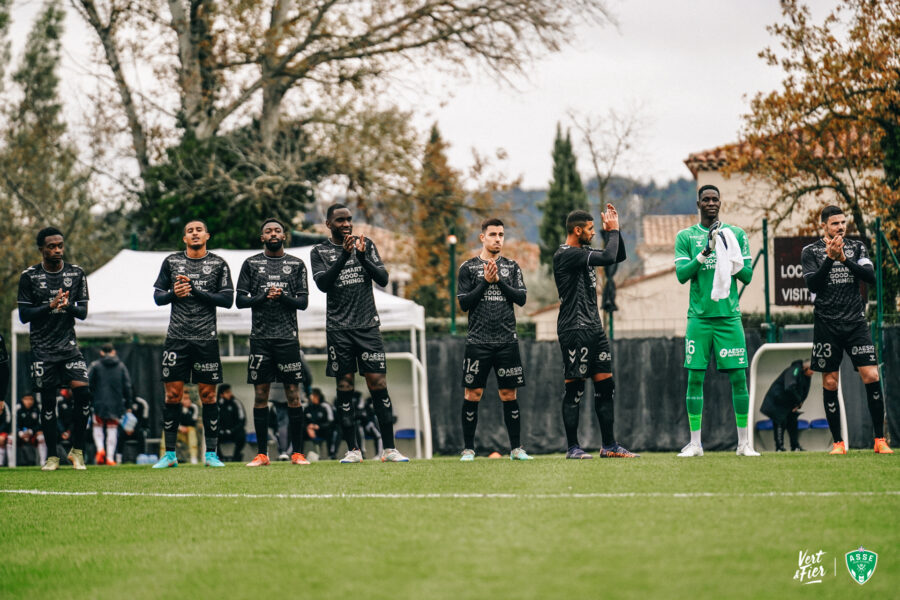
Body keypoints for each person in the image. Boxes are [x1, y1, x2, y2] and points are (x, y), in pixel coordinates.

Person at [310, 204, 408, 463]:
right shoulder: (318, 251)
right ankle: (353, 450)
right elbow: (322, 285)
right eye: (340, 220)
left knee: (378, 384)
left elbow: (384, 279)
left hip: (367, 327)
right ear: (329, 224)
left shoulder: (367, 245)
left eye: (349, 220)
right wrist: (344, 256)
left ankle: (389, 450)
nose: (346, 224)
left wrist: (362, 257)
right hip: (339, 330)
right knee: (344, 387)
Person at [801, 205, 892, 454]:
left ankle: (879, 440)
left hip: (855, 323)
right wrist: (830, 259)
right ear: (823, 226)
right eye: (834, 223)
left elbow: (870, 277)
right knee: (830, 382)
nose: (840, 227)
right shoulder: (810, 252)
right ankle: (839, 443)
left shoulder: (858, 247)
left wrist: (844, 259)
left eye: (843, 222)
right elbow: (814, 284)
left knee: (872, 375)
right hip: (826, 324)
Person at [674, 185, 757, 457]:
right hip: (699, 319)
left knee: (739, 379)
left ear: (720, 202)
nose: (711, 203)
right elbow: (682, 275)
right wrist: (706, 252)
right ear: (698, 203)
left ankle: (743, 443)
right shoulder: (686, 237)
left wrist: (727, 253)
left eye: (715, 199)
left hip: (728, 317)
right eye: (706, 199)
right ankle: (696, 444)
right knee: (694, 379)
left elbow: (746, 276)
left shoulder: (735, 235)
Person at [553, 206, 637, 459]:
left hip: (594, 327)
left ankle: (609, 446)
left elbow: (617, 256)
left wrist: (616, 229)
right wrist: (611, 232)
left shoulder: (585, 251)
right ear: (577, 230)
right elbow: (609, 256)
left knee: (606, 386)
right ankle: (573, 448)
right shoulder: (566, 254)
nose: (593, 233)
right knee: (575, 389)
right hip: (574, 328)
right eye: (590, 229)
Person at [152, 219, 234, 468]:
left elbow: (228, 299)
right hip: (176, 338)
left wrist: (196, 291)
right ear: (184, 239)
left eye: (199, 230)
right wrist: (172, 294)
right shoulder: (171, 262)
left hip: (206, 339)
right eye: (190, 231)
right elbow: (157, 297)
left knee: (208, 396)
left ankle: (211, 454)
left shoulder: (218, 263)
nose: (195, 233)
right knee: (173, 395)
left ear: (207, 235)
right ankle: (169, 455)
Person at [17, 226, 94, 470]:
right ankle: (52, 456)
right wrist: (50, 306)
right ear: (42, 249)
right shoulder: (29, 277)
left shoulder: (76, 273)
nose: (57, 250)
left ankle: (77, 451)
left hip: (69, 348)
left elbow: (82, 312)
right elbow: (24, 315)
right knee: (48, 403)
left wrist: (66, 305)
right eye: (52, 246)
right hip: (42, 349)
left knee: (83, 394)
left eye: (60, 245)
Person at [236, 218, 310, 467]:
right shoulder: (251, 264)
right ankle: (262, 454)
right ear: (262, 238)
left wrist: (283, 297)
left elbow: (302, 303)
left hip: (288, 339)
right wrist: (263, 296)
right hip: (260, 339)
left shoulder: (297, 264)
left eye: (277, 230)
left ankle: (298, 453)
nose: (273, 233)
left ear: (284, 236)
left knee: (293, 394)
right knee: (260, 395)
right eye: (268, 231)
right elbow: (240, 301)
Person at [457, 218, 532, 461]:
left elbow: (521, 299)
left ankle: (516, 449)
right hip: (478, 341)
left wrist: (498, 280)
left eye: (501, 234)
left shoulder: (511, 267)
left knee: (509, 395)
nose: (498, 239)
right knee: (473, 394)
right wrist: (484, 282)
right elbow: (464, 303)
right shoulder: (467, 267)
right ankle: (468, 449)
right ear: (482, 238)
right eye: (493, 234)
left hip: (506, 341)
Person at [88, 343, 133, 465]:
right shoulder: (121, 366)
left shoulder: (95, 366)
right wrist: (128, 405)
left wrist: (89, 400)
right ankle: (110, 457)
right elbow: (128, 387)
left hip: (98, 403)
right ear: (114, 352)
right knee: (112, 430)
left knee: (97, 428)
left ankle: (100, 449)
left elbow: (88, 385)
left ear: (101, 353)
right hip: (116, 404)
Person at [761, 360, 813, 451]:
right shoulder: (794, 370)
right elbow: (789, 387)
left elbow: (804, 392)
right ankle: (779, 448)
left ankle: (795, 446)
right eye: (812, 370)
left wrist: (798, 404)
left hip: (789, 402)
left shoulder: (806, 376)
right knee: (780, 422)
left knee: (793, 422)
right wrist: (798, 401)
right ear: (805, 368)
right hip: (778, 401)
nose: (813, 372)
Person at [160, 390, 200, 463]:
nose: (187, 401)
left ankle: (193, 458)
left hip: (186, 433)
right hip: (176, 432)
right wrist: (180, 427)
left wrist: (186, 410)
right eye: (184, 398)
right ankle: (163, 457)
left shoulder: (194, 407)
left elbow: (192, 422)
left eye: (188, 398)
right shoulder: (175, 407)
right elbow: (170, 421)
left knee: (192, 431)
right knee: (165, 432)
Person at [303, 387, 337, 459]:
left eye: (313, 395)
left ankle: (331, 454)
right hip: (309, 431)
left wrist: (318, 427)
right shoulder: (307, 407)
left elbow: (331, 422)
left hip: (323, 430)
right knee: (297, 430)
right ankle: (297, 454)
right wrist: (308, 428)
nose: (311, 397)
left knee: (333, 431)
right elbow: (302, 421)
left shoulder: (325, 406)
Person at [216, 384, 246, 462]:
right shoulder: (217, 404)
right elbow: (214, 420)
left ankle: (236, 456)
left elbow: (242, 420)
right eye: (227, 392)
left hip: (234, 432)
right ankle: (219, 456)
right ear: (221, 394)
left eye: (230, 392)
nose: (230, 394)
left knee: (241, 435)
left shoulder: (236, 403)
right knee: (213, 434)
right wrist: (220, 430)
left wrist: (232, 430)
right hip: (221, 432)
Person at [16, 394, 47, 466]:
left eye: (31, 399)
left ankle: (43, 462)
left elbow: (41, 423)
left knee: (42, 437)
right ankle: (10, 464)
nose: (29, 402)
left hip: (33, 434)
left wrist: (31, 431)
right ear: (22, 400)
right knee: (10, 439)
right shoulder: (17, 409)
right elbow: (13, 423)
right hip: (20, 434)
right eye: (26, 399)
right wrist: (19, 432)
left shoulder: (38, 409)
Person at [355, 392, 383, 459]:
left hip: (372, 426)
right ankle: (361, 453)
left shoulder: (381, 403)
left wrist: (370, 423)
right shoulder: (365, 403)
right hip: (364, 426)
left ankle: (379, 454)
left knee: (379, 436)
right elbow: (360, 415)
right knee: (359, 430)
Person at [0, 400, 10, 466]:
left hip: (2, 431)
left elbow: (8, 420)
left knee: (2, 439)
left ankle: (1, 463)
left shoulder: (4, 403)